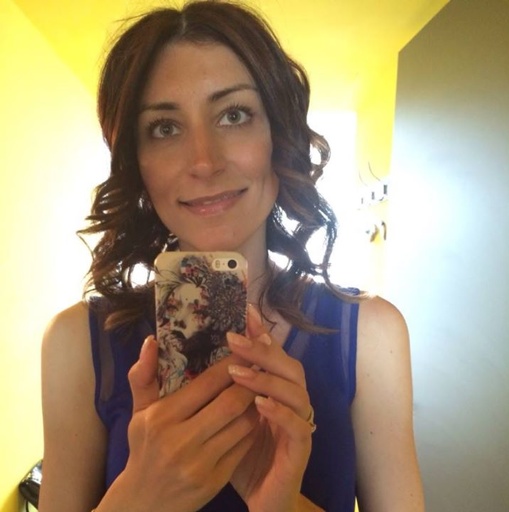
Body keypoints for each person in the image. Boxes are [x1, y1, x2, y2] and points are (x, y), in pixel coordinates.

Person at [39, 1, 425, 511]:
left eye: (234, 115)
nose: (204, 160)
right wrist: (139, 496)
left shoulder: (371, 336)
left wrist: (281, 500)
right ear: (137, 162)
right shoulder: (78, 344)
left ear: (278, 137)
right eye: (164, 128)